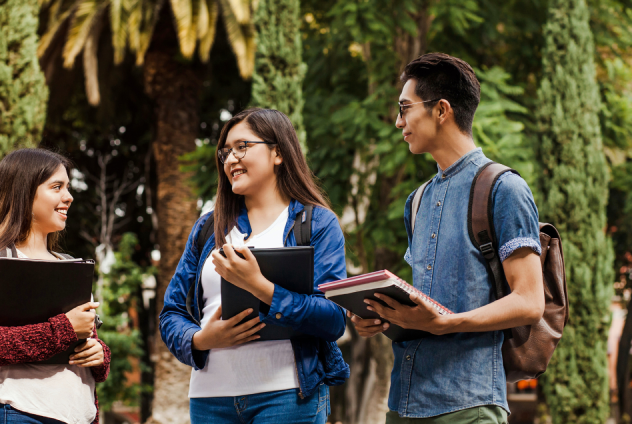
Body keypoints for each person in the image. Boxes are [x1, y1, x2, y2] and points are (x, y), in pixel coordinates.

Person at [350, 53, 545, 423]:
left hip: (468, 405)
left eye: (405, 109)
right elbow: (429, 301)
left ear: (441, 110)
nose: (398, 122)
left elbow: (530, 301)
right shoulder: (417, 200)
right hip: (403, 402)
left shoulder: (505, 188)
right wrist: (380, 316)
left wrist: (447, 323)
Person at [160, 108, 349, 423]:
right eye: (226, 152)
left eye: (242, 146)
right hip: (210, 401)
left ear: (277, 153)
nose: (231, 159)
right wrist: (202, 340)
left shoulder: (316, 223)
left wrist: (260, 287)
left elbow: (333, 320)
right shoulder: (208, 227)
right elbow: (171, 314)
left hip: (287, 397)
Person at [0, 148, 110, 424]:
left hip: (78, 415)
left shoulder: (71, 266)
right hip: (19, 413)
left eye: (68, 188)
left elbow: (84, 342)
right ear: (23, 193)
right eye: (56, 187)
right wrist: (63, 329)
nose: (68, 197)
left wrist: (99, 354)